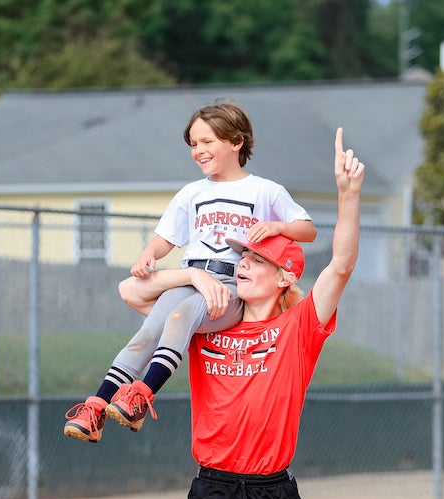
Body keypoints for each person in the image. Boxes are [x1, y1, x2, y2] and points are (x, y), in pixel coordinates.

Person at [132, 127, 364, 499]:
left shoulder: (300, 327)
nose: (242, 265)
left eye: (256, 260)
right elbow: (136, 293)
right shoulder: (206, 321)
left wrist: (348, 196)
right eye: (240, 257)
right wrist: (189, 273)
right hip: (214, 493)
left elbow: (340, 266)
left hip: (272, 497)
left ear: (284, 274)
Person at [64, 99, 317, 443]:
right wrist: (148, 255)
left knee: (180, 316)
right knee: (149, 329)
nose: (198, 150)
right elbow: (164, 239)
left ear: (236, 141)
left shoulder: (264, 190)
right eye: (194, 144)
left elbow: (307, 229)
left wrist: (275, 227)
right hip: (191, 275)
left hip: (229, 284)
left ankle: (143, 395)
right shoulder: (191, 193)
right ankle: (96, 407)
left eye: (207, 141)